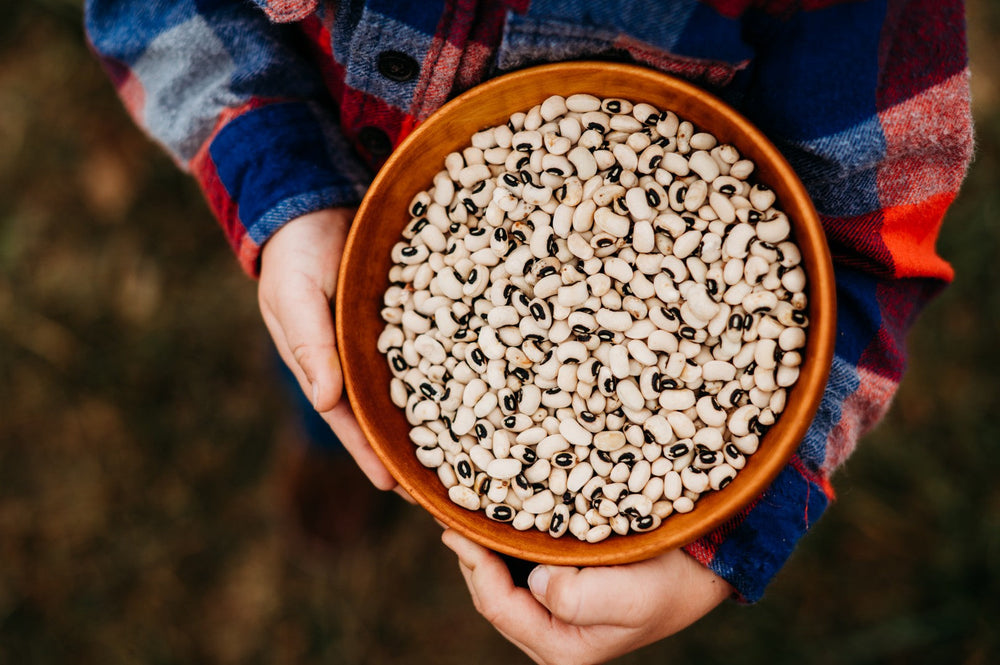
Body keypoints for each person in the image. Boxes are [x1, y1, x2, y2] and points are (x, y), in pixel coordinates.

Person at [84, 1, 973, 663]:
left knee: (368, 392)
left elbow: (868, 243)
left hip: (487, 327)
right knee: (327, 378)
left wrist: (721, 542)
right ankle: (319, 436)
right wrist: (281, 198)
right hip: (347, 230)